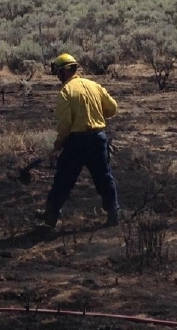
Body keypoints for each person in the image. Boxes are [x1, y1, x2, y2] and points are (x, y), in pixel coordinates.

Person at [35, 53, 120, 228]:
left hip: (77, 142)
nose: (58, 77)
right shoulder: (94, 85)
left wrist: (59, 142)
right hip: (98, 138)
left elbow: (65, 123)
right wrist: (95, 114)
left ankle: (50, 218)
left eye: (58, 72)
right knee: (104, 177)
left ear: (65, 71)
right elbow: (112, 108)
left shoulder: (66, 91)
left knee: (64, 179)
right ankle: (113, 215)